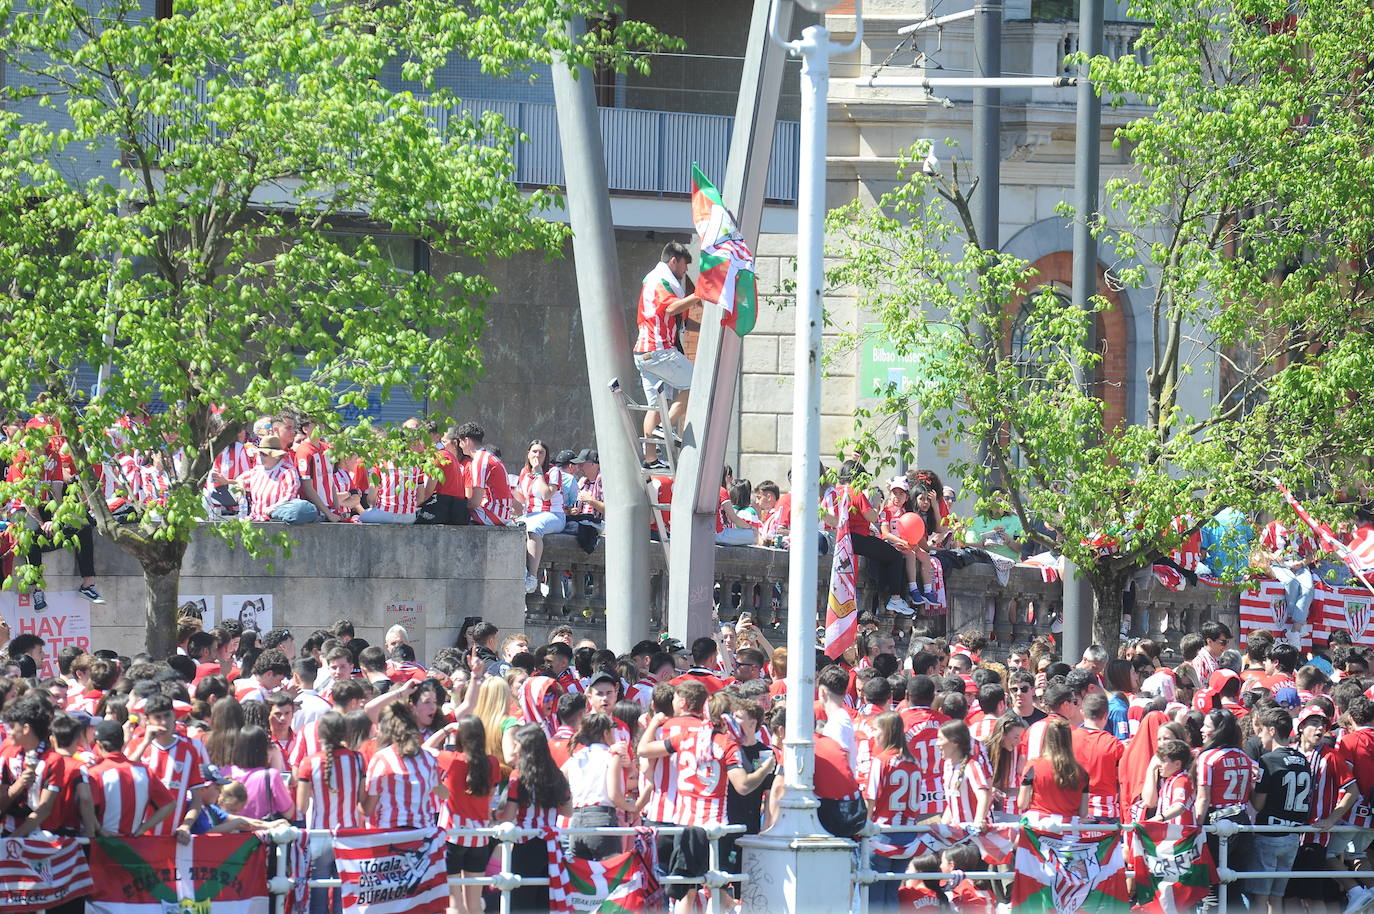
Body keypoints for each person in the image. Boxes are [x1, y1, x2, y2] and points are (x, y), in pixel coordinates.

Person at [633, 242, 699, 468]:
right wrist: (699, 295)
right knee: (697, 382)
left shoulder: (654, 280)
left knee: (655, 405)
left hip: (644, 353)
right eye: (684, 265)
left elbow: (676, 316)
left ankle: (651, 459)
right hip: (658, 349)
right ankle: (666, 426)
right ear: (673, 260)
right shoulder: (660, 280)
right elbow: (672, 308)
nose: (685, 271)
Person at [496, 724, 573, 914]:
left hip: (526, 845)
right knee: (544, 903)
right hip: (551, 847)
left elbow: (508, 816)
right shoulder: (557, 776)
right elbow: (568, 811)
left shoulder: (518, 777)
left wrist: (493, 815)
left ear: (526, 747)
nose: (514, 750)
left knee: (521, 903)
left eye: (516, 745)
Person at [431, 716, 501, 914]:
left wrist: (447, 730)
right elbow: (492, 794)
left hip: (453, 834)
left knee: (454, 902)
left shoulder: (452, 760)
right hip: (479, 837)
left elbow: (424, 748)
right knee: (474, 902)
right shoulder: (492, 763)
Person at [295, 712, 363, 914]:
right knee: (345, 897)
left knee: (318, 896)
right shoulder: (358, 759)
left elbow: (301, 806)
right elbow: (362, 799)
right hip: (349, 834)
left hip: (320, 835)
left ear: (320, 734)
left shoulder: (309, 762)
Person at [1248, 707, 1313, 913]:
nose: (1260, 736)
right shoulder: (1303, 759)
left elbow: (1258, 804)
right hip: (1292, 835)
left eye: (1262, 730)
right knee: (1276, 898)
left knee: (1260, 898)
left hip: (1269, 834)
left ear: (1273, 730)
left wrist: (1251, 784)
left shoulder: (1268, 760)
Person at [864, 710, 923, 913]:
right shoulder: (915, 762)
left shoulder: (881, 760)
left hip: (883, 835)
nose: (874, 735)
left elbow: (870, 800)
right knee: (892, 895)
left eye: (876, 730)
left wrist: (863, 829)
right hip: (908, 837)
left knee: (874, 896)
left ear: (887, 732)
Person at [560, 712, 637, 859]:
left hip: (576, 821)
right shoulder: (610, 756)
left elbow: (560, 777)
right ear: (606, 732)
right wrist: (631, 807)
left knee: (583, 877)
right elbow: (614, 795)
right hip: (602, 818)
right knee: (610, 874)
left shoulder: (576, 756)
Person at [362, 704, 442, 829]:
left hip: (392, 834)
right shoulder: (429, 759)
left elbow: (368, 809)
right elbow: (441, 793)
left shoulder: (381, 760)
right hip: (424, 832)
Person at [513, 440, 565, 593]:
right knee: (509, 527)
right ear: (528, 454)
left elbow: (546, 495)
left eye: (541, 452)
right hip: (530, 514)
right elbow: (521, 498)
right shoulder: (524, 472)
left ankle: (532, 576)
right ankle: (520, 570)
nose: (537, 455)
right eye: (534, 451)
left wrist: (539, 472)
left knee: (534, 528)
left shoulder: (553, 471)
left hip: (553, 515)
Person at [1017, 718, 1089, 820]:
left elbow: (1022, 803)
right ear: (1069, 740)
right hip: (1068, 829)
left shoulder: (1033, 766)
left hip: (1038, 828)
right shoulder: (1081, 772)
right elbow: (1083, 813)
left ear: (1046, 739)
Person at [227, 725, 295, 820]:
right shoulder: (271, 776)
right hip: (263, 831)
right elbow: (288, 812)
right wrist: (286, 791)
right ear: (263, 749)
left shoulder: (227, 772)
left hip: (232, 831)